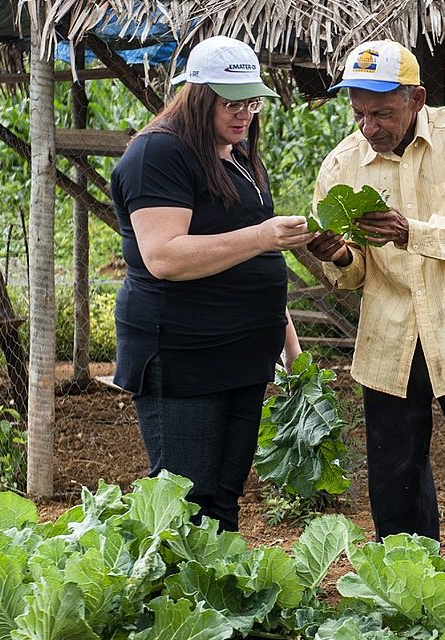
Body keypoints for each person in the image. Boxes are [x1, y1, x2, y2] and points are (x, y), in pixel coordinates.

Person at [306, 40, 445, 540]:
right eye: (359, 113)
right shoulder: (342, 165)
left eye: (382, 113)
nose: (369, 128)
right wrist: (337, 254)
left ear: (417, 99)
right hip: (390, 341)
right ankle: (409, 590)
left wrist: (411, 232)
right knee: (396, 481)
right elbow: (355, 269)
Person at [109, 36, 313, 532]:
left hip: (242, 354)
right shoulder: (158, 154)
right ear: (198, 94)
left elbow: (257, 264)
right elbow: (164, 257)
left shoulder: (237, 155)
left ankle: (218, 607)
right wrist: (264, 234)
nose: (243, 114)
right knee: (185, 498)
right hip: (184, 354)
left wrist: (291, 348)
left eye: (251, 102)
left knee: (224, 494)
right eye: (231, 102)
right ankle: (177, 606)